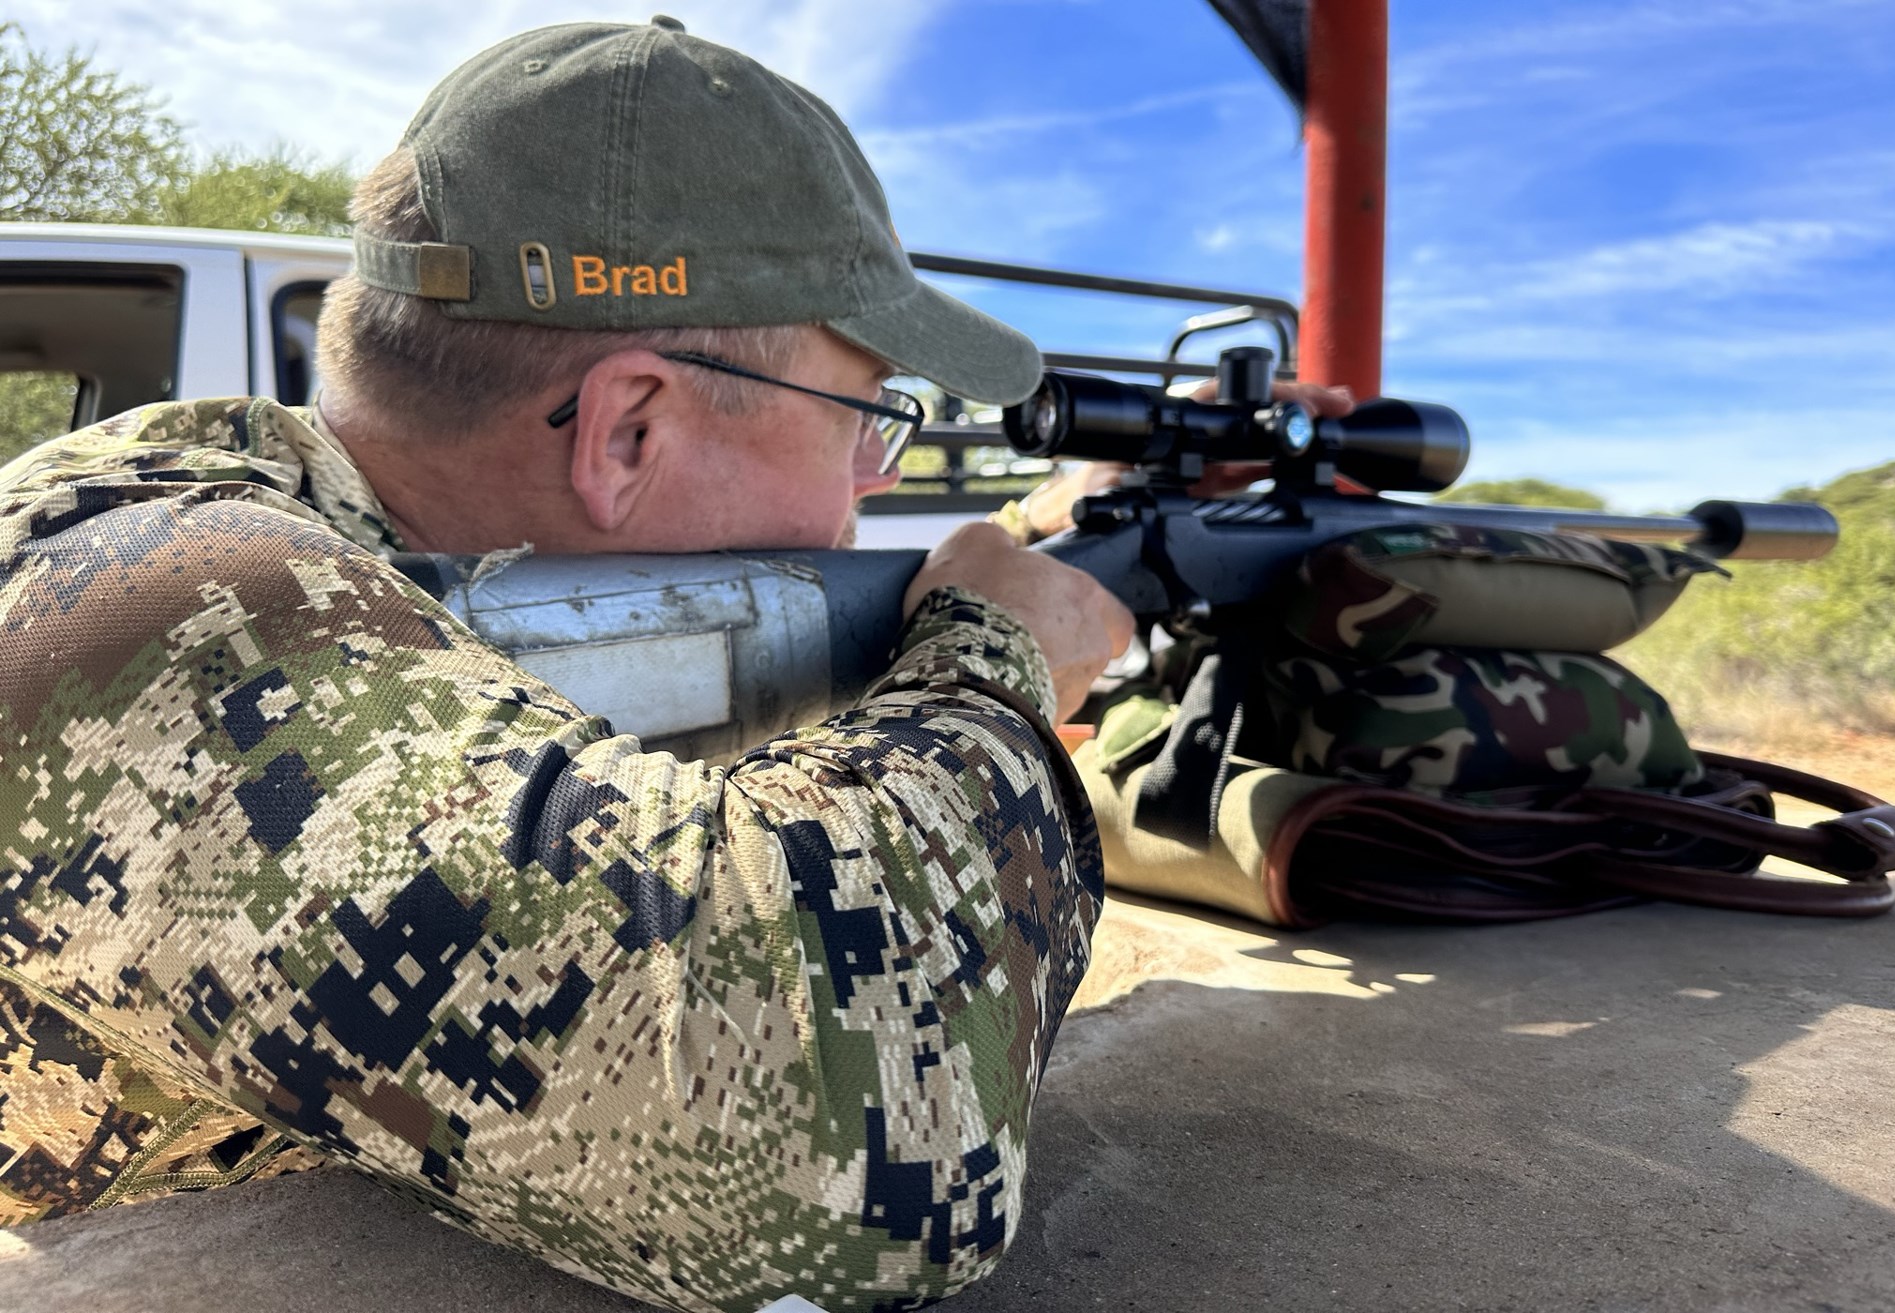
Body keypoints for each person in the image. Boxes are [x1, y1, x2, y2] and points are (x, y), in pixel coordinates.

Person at [0, 18, 1339, 1311]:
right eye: (870, 423)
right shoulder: (165, 607)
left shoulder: (325, 551)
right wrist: (997, 660)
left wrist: (1069, 545)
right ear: (629, 432)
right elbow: (818, 1130)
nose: (866, 497)